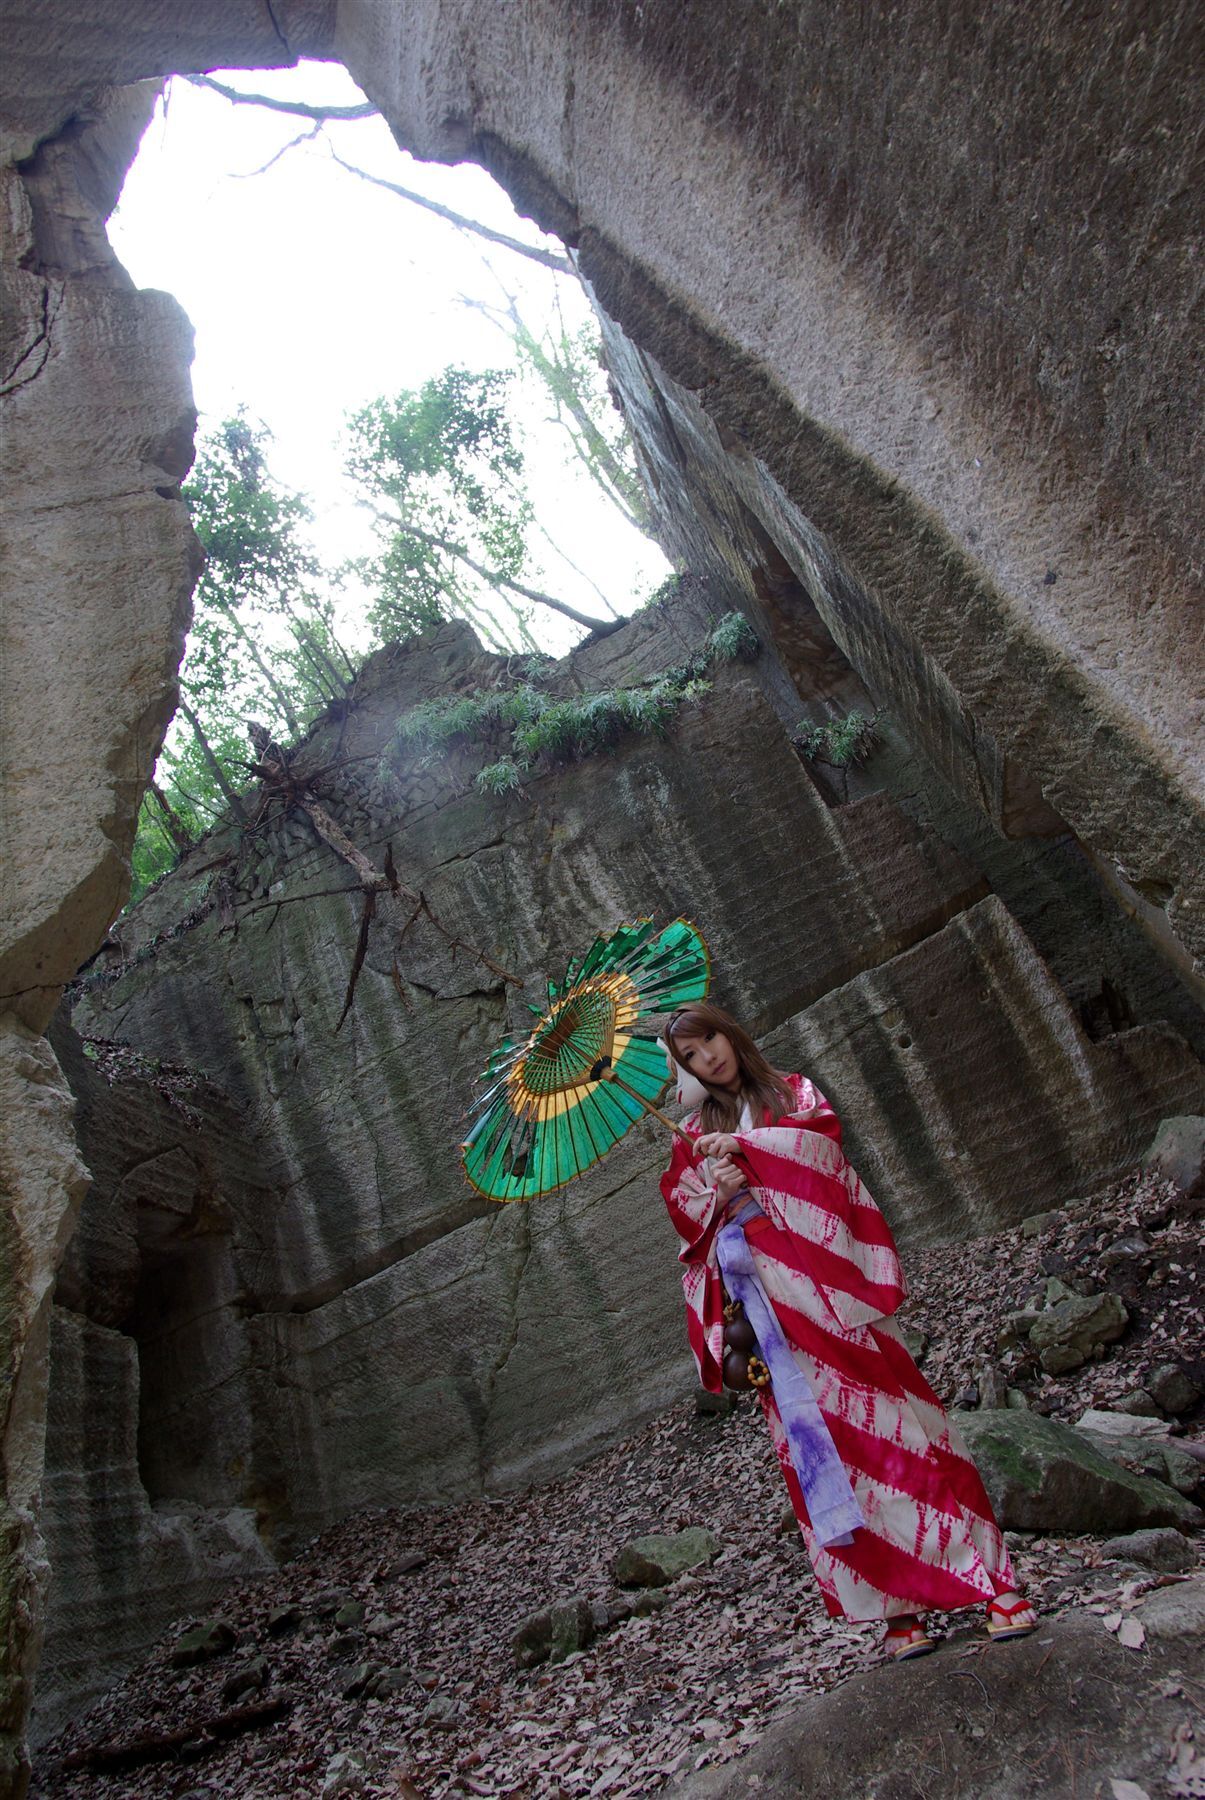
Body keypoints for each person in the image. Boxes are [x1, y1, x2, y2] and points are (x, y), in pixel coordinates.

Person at [659, 1000, 1037, 1660]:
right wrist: (715, 1192)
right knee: (824, 1453)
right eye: (689, 1056)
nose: (707, 1058)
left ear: (729, 1031)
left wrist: (746, 1149)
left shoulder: (792, 1091)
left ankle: (994, 1586)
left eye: (709, 1039)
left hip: (829, 1291)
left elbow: (824, 1163)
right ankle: (896, 1611)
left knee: (906, 1430)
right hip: (769, 1308)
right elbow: (684, 1213)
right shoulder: (687, 1132)